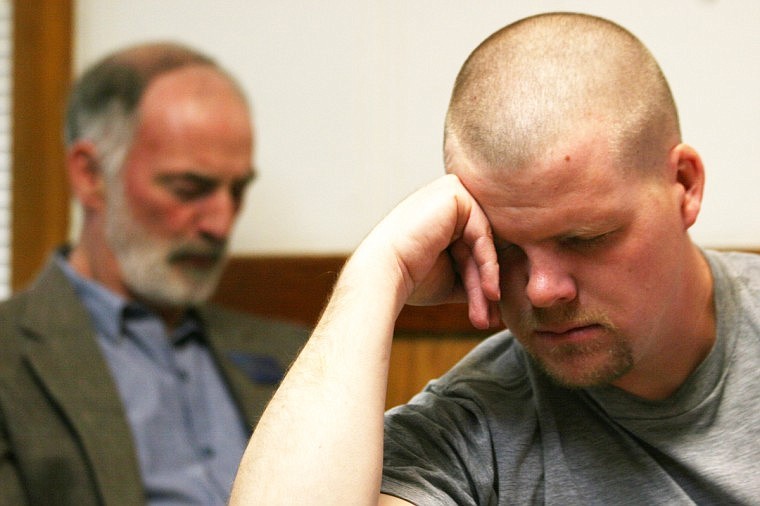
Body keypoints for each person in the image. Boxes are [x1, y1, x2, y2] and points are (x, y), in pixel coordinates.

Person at [229, 12, 760, 505]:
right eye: (503, 249)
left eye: (584, 237)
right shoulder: (474, 425)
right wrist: (376, 274)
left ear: (684, 185)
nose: (541, 290)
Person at [0, 42, 307, 505]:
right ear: (90, 175)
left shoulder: (292, 354)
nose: (221, 224)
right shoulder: (11, 358)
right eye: (189, 188)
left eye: (238, 190)